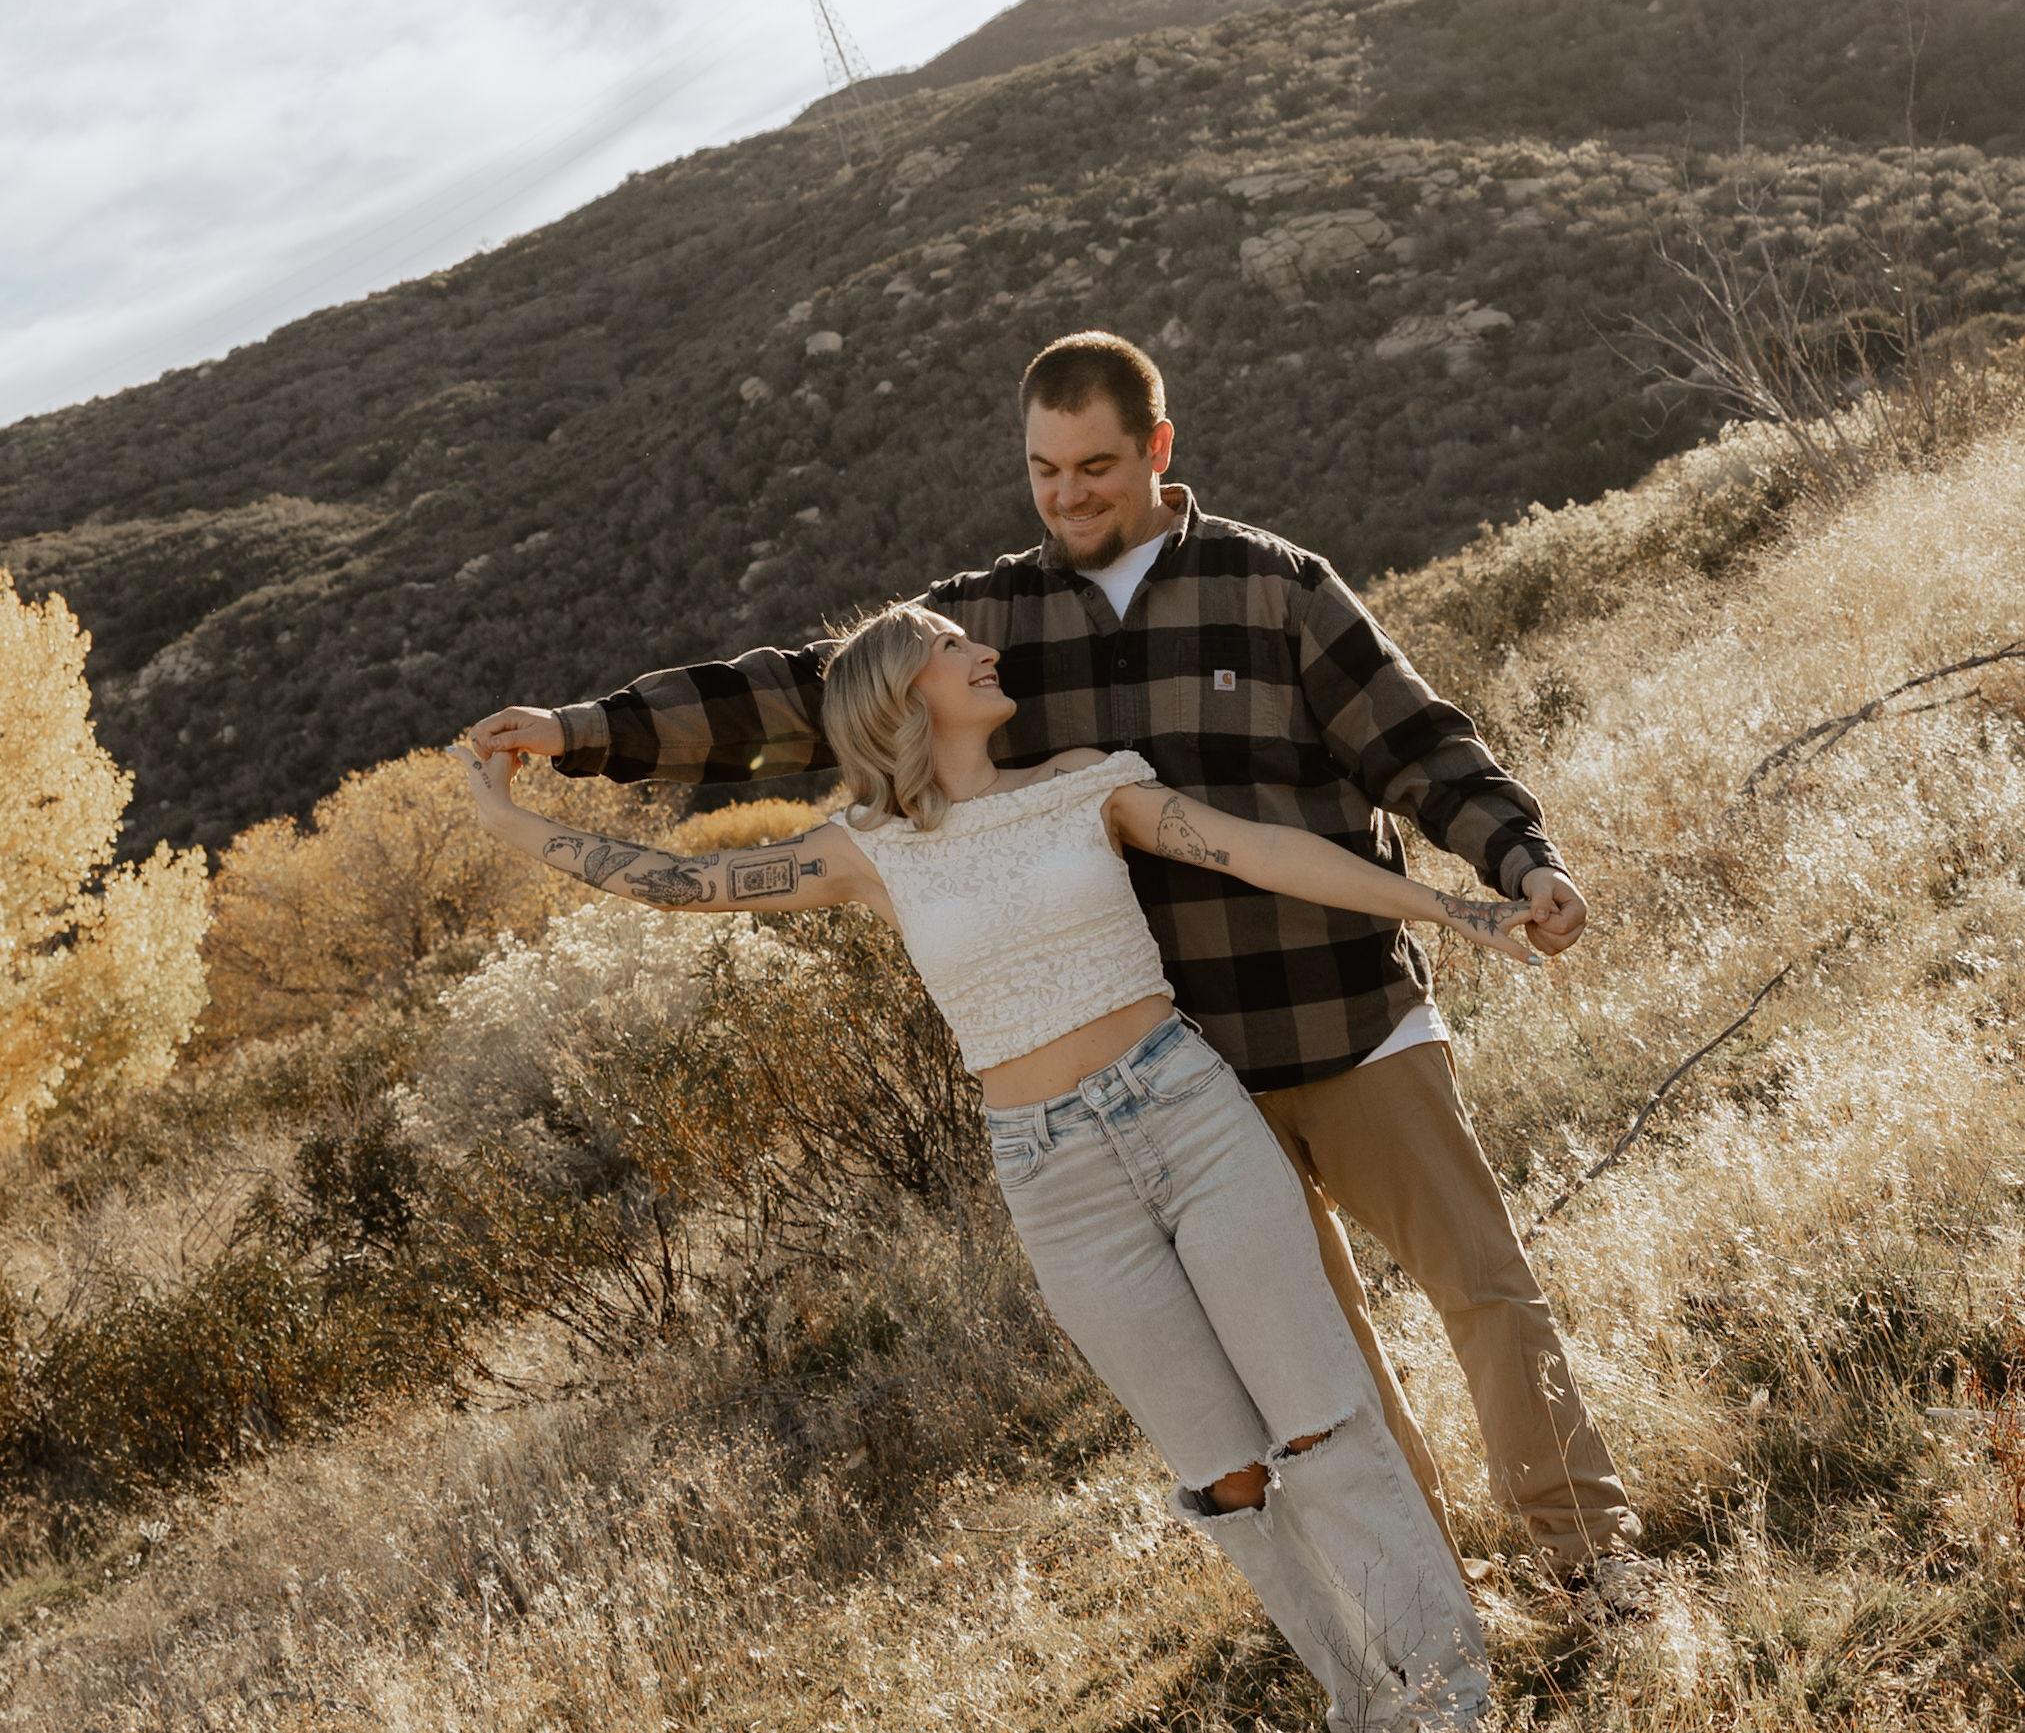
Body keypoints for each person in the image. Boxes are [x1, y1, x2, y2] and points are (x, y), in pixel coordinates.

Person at [467, 329, 1649, 1603]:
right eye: (1044, 471)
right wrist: (584, 732)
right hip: (1189, 1082)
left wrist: (1519, 863)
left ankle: (1589, 1562)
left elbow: (1420, 748)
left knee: (1485, 1290)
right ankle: (1433, 1605)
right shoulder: (987, 623)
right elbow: (799, 694)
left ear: (1158, 448)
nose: (1068, 496)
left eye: (1095, 467)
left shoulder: (1276, 586)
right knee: (1328, 1368)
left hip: (1348, 1018)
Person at [450, 595, 1536, 1727]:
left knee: (1318, 1423)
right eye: (950, 646)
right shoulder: (863, 851)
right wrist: (510, 823)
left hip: (1190, 1117)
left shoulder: (1082, 783)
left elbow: (1264, 852)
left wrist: (1448, 907)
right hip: (1058, 1179)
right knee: (1227, 1474)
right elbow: (674, 881)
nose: (984, 651)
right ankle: (1368, 1702)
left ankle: (1449, 1698)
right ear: (899, 692)